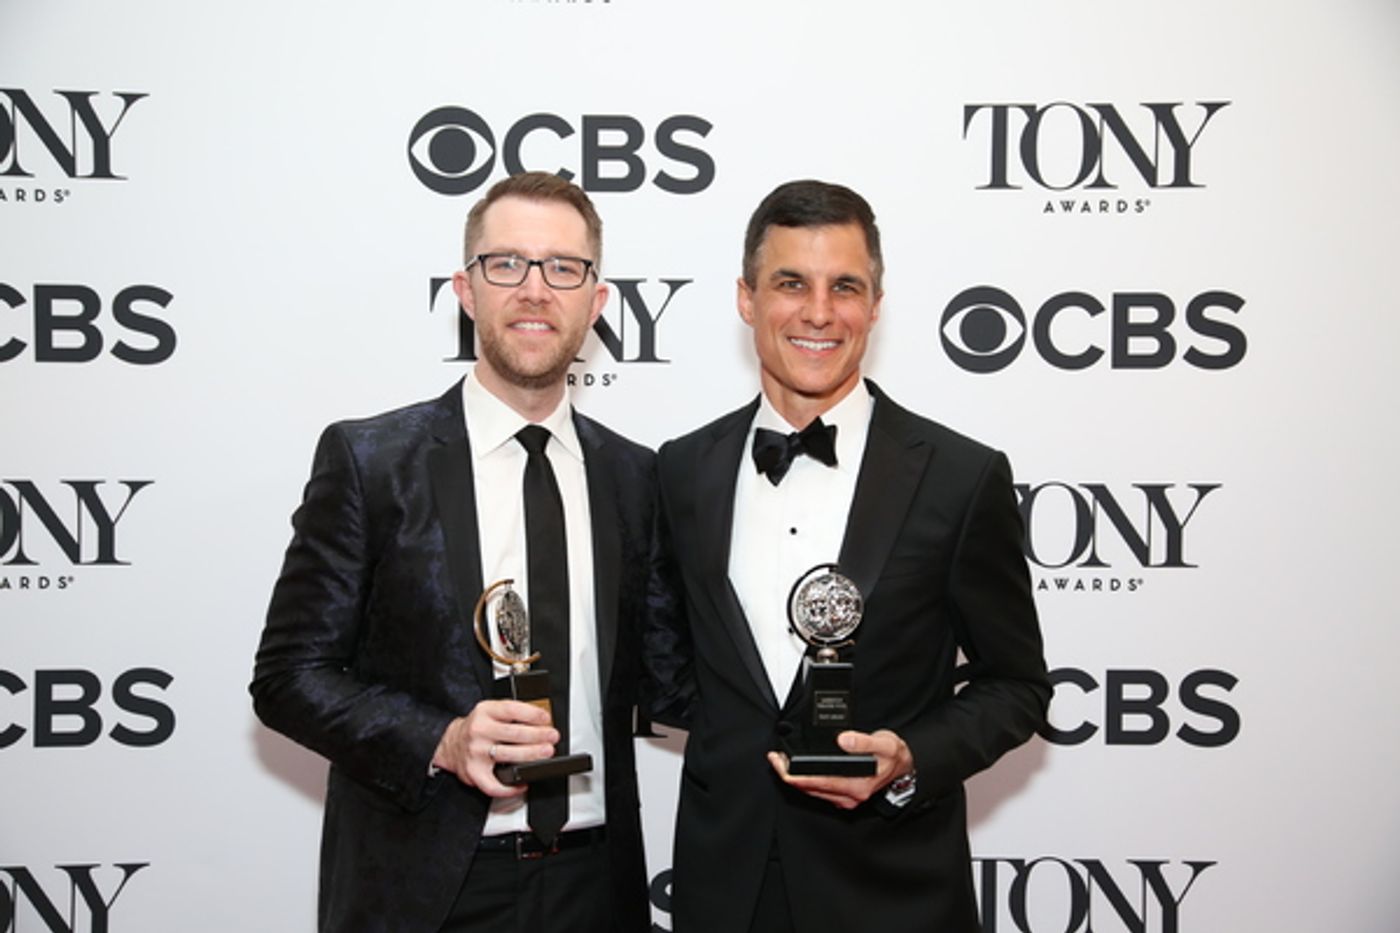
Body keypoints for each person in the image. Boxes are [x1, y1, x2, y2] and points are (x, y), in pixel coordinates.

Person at [251, 172, 668, 933]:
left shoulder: (638, 478)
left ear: (597, 302)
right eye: (506, 264)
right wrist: (440, 740)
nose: (535, 289)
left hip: (595, 886)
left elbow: (677, 677)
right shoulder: (370, 460)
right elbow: (286, 677)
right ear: (465, 290)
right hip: (426, 890)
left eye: (563, 268)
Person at [651, 179, 1052, 932]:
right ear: (745, 297)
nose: (818, 311)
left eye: (845, 286)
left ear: (875, 302)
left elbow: (1018, 686)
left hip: (891, 891)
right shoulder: (682, 469)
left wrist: (909, 756)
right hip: (722, 889)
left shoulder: (960, 477)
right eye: (789, 283)